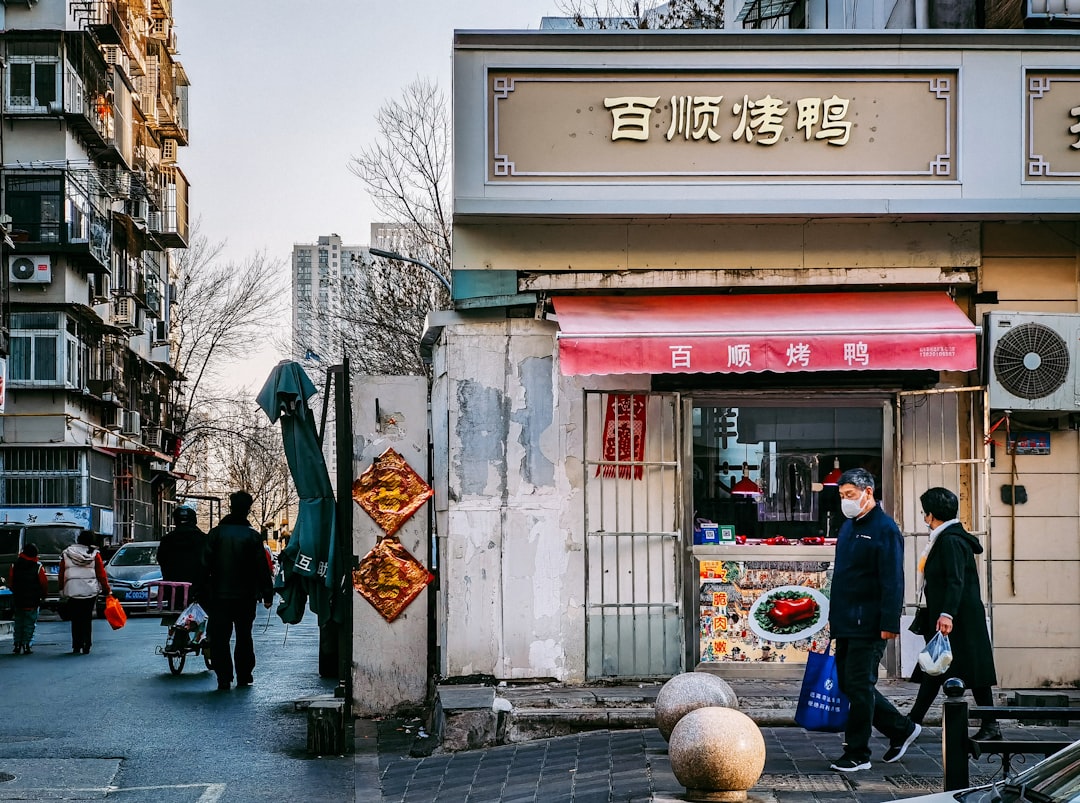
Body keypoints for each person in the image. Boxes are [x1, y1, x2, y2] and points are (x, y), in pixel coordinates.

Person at [827, 468, 921, 772]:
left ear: (868, 492)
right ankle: (901, 728)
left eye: (850, 495)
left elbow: (893, 579)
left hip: (868, 622)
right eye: (842, 496)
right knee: (851, 683)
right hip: (845, 620)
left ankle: (858, 752)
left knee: (859, 684)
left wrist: (889, 623)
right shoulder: (848, 526)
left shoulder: (884, 529)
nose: (845, 501)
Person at [908, 486, 1000, 739]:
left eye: (924, 513)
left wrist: (947, 613)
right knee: (936, 667)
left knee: (961, 670)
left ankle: (991, 726)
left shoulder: (949, 541)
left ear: (930, 515)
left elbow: (955, 580)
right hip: (956, 616)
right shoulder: (949, 537)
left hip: (958, 618)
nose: (924, 518)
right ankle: (913, 720)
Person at [202, 491, 274, 691]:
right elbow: (262, 568)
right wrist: (267, 594)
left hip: (219, 596)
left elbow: (203, 565)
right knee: (244, 636)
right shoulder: (252, 536)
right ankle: (244, 675)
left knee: (220, 637)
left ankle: (223, 677)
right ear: (248, 509)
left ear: (230, 507)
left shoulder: (215, 534)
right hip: (245, 596)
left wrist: (200, 591)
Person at [157, 506, 207, 651]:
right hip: (197, 589)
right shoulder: (202, 538)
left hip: (173, 590)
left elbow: (161, 559)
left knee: (174, 608)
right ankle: (201, 638)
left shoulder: (167, 539)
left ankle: (175, 636)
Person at [58, 530, 111, 655]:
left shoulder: (67, 553)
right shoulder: (95, 554)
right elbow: (101, 574)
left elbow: (61, 573)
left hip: (72, 589)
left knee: (75, 619)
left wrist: (61, 589)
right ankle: (87, 644)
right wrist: (106, 589)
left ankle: (77, 644)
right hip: (90, 590)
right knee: (87, 618)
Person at [9, 542, 48, 654]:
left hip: (18, 599)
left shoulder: (14, 565)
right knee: (30, 623)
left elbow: (11, 581)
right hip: (33, 600)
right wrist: (43, 595)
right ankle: (27, 644)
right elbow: (43, 583)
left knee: (19, 622)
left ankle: (17, 644)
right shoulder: (38, 567)